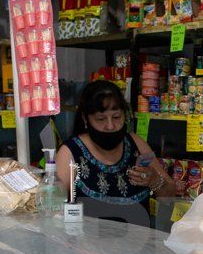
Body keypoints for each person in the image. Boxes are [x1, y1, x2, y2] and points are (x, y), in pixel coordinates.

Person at [56, 80, 175, 223]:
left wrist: (155, 181)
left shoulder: (136, 145)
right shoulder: (70, 153)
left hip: (138, 242)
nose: (110, 126)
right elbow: (53, 211)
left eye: (117, 117)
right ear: (85, 119)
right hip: (87, 243)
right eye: (101, 119)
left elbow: (169, 195)